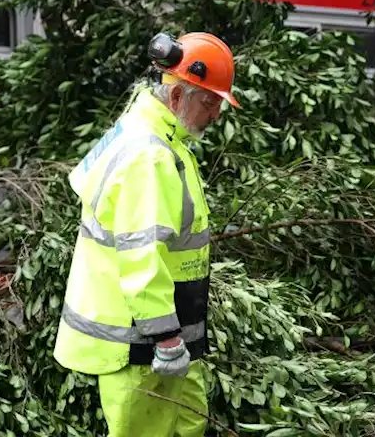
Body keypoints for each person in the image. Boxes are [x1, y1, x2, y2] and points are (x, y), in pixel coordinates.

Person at [53, 31, 239, 437]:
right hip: (143, 344)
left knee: (190, 424)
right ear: (177, 97)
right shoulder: (150, 155)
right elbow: (140, 255)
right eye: (209, 102)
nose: (215, 115)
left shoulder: (149, 132)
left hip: (166, 337)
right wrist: (167, 338)